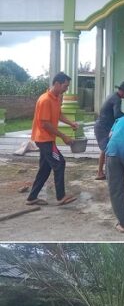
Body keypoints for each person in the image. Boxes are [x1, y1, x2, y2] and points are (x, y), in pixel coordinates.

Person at [25, 72, 79, 207]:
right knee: (59, 163)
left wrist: (71, 123)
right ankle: (61, 197)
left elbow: (59, 114)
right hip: (43, 139)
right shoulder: (45, 100)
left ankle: (32, 198)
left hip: (48, 139)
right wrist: (63, 136)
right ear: (57, 84)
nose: (66, 89)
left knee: (45, 168)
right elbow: (45, 124)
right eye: (65, 86)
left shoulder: (56, 98)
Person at [94, 81, 124, 180]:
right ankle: (105, 172)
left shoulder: (113, 96)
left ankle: (102, 172)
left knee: (105, 149)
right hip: (102, 127)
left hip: (104, 126)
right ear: (123, 92)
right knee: (107, 149)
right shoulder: (117, 99)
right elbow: (117, 114)